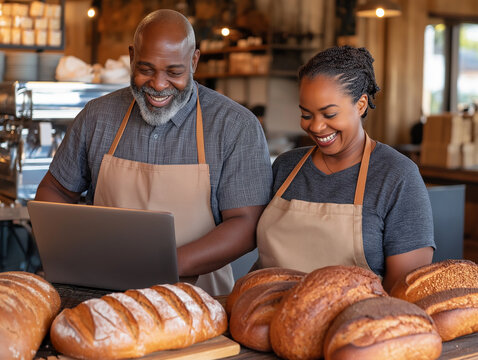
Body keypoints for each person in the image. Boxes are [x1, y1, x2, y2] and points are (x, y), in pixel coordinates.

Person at [35, 9, 272, 296]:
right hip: (100, 296)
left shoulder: (235, 126)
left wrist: (163, 265)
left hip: (196, 302)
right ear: (132, 56)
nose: (158, 85)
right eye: (146, 69)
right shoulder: (98, 117)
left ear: (194, 61)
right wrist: (70, 252)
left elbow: (246, 225)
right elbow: (55, 191)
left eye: (174, 72)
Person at [256, 46, 435, 292]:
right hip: (268, 313)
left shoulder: (397, 175)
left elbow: (404, 290)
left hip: (354, 323)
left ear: (361, 105)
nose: (317, 127)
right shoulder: (286, 167)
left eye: (329, 114)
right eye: (306, 114)